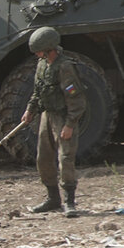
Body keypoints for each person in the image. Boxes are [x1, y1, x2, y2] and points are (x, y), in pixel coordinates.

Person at [20, 26, 86, 218]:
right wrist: (30, 110)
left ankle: (69, 201)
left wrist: (69, 124)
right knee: (44, 158)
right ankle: (53, 198)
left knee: (65, 158)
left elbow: (77, 99)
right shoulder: (42, 65)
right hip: (47, 116)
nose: (37, 55)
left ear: (50, 49)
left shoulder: (65, 67)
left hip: (64, 117)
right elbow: (37, 91)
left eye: (39, 51)